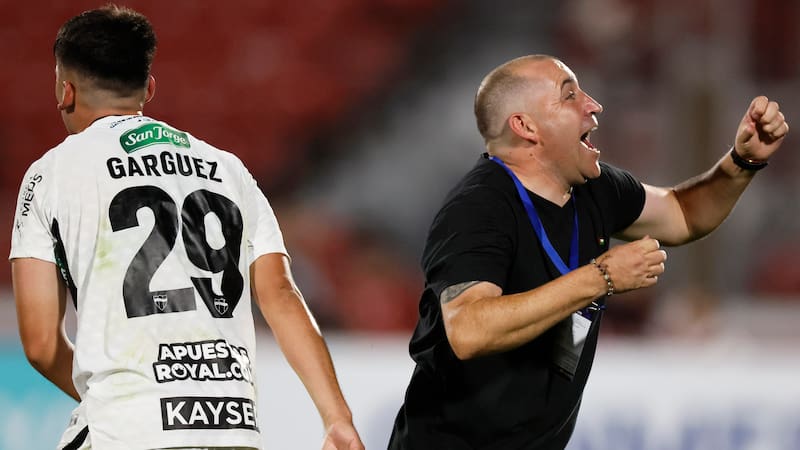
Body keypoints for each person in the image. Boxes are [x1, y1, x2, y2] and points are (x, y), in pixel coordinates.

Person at [388, 54, 788, 449]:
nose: (594, 106)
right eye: (569, 95)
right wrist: (600, 277)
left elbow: (682, 214)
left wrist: (742, 161)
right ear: (526, 126)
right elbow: (468, 330)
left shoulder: (595, 190)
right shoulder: (478, 208)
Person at [10, 5, 364, 450]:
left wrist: (119, 400)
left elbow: (42, 344)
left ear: (66, 91)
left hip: (125, 431)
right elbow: (280, 294)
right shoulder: (229, 169)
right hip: (230, 427)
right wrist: (337, 417)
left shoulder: (50, 175)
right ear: (149, 88)